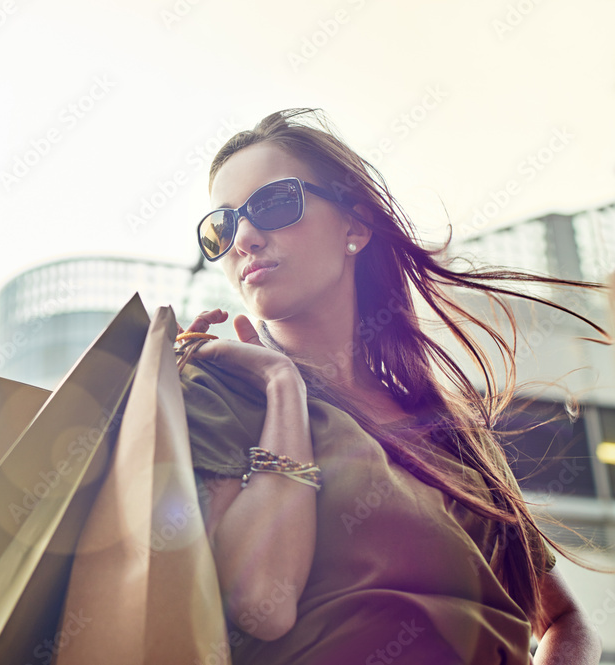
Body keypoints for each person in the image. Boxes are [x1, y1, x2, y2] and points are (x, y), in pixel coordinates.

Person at [177, 108, 607, 664]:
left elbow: (567, 621)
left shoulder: (452, 431)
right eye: (224, 226)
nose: (246, 238)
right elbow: (264, 601)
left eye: (275, 204)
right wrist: (283, 388)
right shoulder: (217, 390)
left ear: (355, 226)